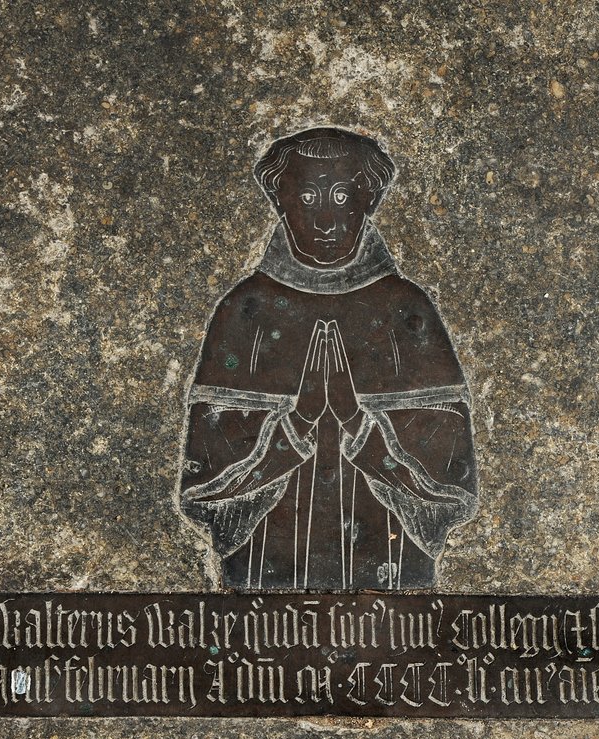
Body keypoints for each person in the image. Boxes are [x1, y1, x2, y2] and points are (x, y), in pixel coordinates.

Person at [180, 127, 477, 590]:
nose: (324, 219)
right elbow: (205, 488)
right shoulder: (245, 311)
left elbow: (451, 484)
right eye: (307, 196)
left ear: (369, 200)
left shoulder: (407, 311)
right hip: (266, 576)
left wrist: (357, 422)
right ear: (280, 201)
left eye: (341, 196)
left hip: (388, 574)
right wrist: (296, 424)